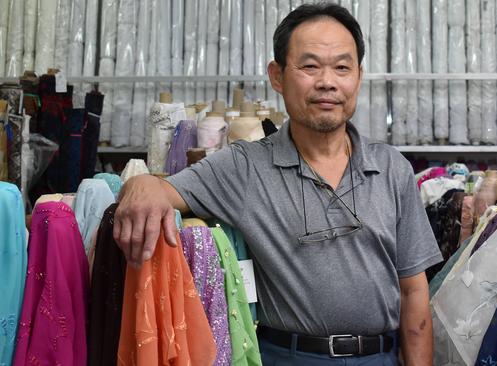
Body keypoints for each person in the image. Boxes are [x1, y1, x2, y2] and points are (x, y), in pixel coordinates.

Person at [114, 3, 442, 365]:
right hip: (288, 356)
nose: (327, 82)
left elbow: (414, 292)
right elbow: (162, 190)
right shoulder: (245, 166)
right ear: (278, 75)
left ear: (358, 77)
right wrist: (140, 183)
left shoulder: (391, 168)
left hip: (380, 357)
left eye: (342, 67)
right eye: (310, 66)